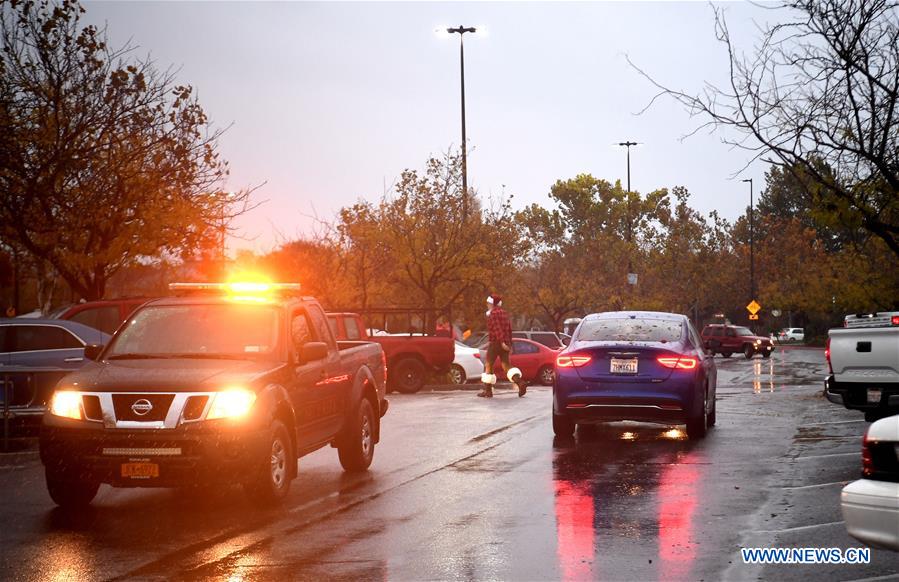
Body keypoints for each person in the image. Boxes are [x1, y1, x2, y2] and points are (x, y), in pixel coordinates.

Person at [479, 294, 526, 398]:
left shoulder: (493, 314)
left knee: (488, 364)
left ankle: (488, 391)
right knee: (506, 365)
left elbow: (497, 329)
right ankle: (520, 382)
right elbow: (509, 330)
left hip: (496, 343)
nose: (487, 305)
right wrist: (509, 343)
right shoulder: (505, 313)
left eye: (488, 303)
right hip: (505, 343)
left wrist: (501, 342)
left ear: (492, 303)